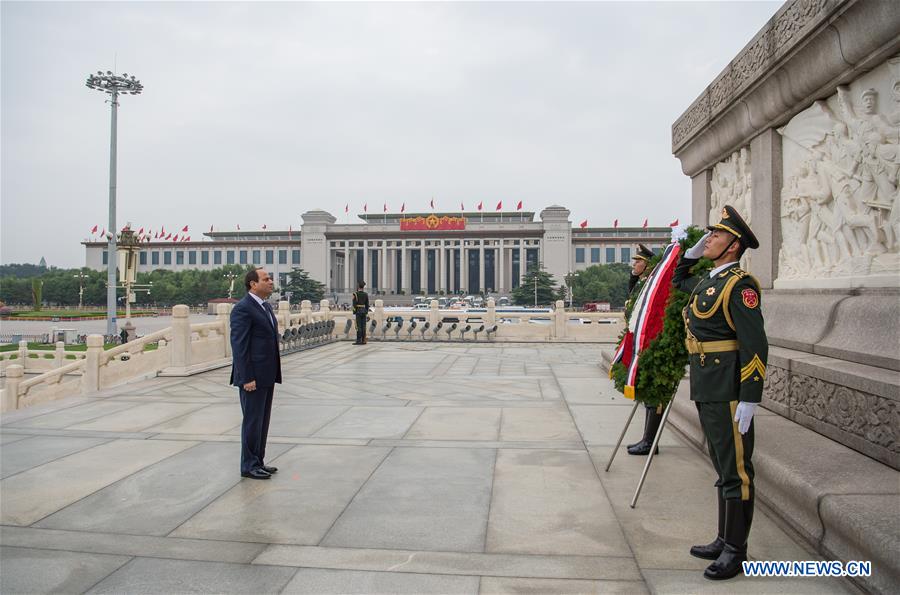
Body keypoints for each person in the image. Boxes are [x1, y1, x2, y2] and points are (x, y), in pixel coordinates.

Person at [673, 205, 767, 580]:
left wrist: (750, 396)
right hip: (708, 384)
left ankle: (736, 550)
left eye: (716, 235)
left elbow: (755, 344)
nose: (709, 239)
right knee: (722, 465)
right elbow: (678, 280)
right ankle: (723, 538)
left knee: (736, 471)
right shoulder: (709, 281)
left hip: (728, 387)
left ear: (734, 245)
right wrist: (689, 254)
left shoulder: (740, 286)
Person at [230, 268, 282, 480]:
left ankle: (258, 461)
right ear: (253, 284)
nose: (271, 282)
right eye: (266, 279)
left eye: (270, 278)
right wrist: (247, 377)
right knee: (252, 421)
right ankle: (249, 465)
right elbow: (239, 346)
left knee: (262, 421)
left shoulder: (265, 306)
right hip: (252, 377)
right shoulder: (243, 309)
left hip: (267, 374)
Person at [625, 243, 663, 456]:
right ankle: (648, 440)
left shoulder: (652, 287)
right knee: (648, 395)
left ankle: (650, 441)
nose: (635, 264)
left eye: (638, 261)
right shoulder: (642, 284)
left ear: (648, 266)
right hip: (641, 345)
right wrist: (633, 277)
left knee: (654, 395)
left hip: (651, 346)